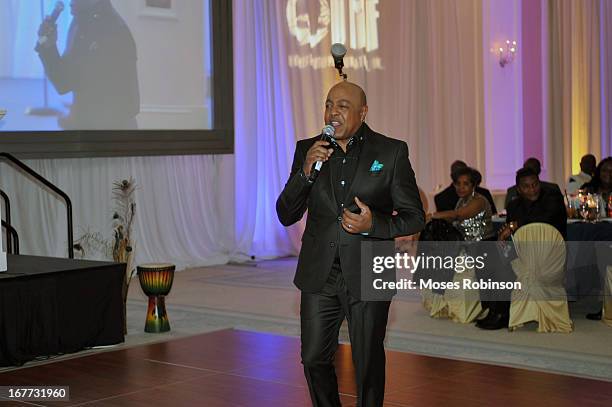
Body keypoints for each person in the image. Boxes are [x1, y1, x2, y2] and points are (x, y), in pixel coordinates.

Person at [276, 81, 424, 407]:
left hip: (369, 272)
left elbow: (415, 217)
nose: (333, 112)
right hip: (320, 274)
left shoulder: (390, 152)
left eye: (343, 105)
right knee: (314, 358)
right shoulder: (308, 149)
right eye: (329, 104)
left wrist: (375, 224)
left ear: (363, 112)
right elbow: (286, 214)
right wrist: (304, 173)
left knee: (368, 363)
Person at [36, 0, 140, 129]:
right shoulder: (80, 22)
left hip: (110, 134)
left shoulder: (113, 31)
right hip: (89, 127)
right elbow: (63, 82)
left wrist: (74, 121)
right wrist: (49, 46)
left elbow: (115, 105)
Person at [430, 167, 494, 241]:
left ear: (473, 185)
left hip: (483, 245)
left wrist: (432, 215)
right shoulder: (462, 200)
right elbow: (451, 219)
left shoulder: (479, 200)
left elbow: (458, 215)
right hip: (466, 245)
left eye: (466, 184)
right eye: (458, 184)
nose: (461, 187)